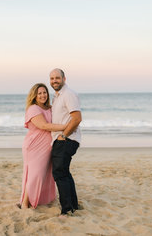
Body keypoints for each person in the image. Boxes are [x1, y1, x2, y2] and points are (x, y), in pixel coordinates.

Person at [19, 83, 68, 209]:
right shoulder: (33, 109)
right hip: (34, 146)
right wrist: (66, 127)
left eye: (44, 92)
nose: (42, 95)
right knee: (35, 175)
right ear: (34, 95)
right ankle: (25, 202)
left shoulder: (50, 108)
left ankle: (41, 200)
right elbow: (44, 126)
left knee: (45, 174)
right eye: (39, 93)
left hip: (47, 146)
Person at [49, 68, 82, 216]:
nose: (54, 81)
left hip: (66, 140)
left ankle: (67, 209)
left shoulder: (68, 94)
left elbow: (77, 118)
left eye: (57, 78)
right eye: (52, 78)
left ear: (64, 79)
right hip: (63, 139)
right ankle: (73, 205)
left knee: (59, 174)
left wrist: (64, 135)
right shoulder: (57, 96)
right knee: (64, 173)